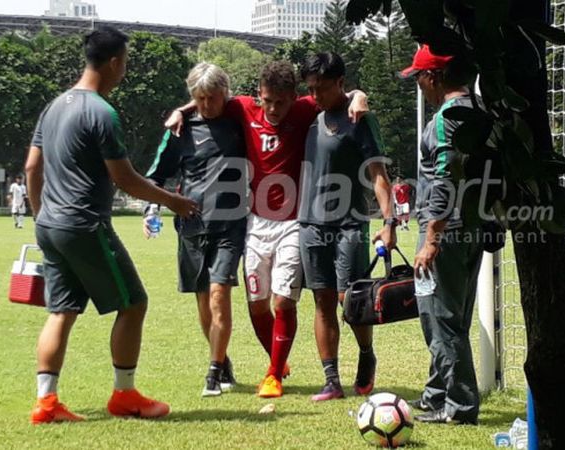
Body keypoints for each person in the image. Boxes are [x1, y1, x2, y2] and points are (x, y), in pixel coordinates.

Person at [166, 61, 369, 399]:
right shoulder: (244, 108)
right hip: (256, 221)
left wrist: (359, 96)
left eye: (280, 102)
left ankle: (273, 373)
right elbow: (208, 96)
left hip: (294, 222)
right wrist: (181, 109)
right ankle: (279, 360)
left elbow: (343, 95)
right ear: (258, 96)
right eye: (266, 101)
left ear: (294, 97)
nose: (272, 109)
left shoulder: (306, 109)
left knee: (282, 301)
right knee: (257, 304)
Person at [25, 26, 197, 425]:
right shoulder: (102, 112)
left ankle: (46, 402)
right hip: (84, 224)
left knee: (61, 310)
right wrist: (174, 201)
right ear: (115, 62)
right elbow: (124, 178)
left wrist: (41, 216)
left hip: (50, 225)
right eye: (126, 63)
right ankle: (124, 394)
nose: (126, 70)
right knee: (133, 303)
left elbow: (33, 166)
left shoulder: (54, 107)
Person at [296, 52, 397, 401]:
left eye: (322, 88)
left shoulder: (360, 119)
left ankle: (366, 355)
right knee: (322, 300)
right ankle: (331, 381)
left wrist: (389, 221)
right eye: (310, 89)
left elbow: (378, 174)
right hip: (310, 223)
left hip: (350, 223)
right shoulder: (308, 114)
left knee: (350, 300)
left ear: (341, 83)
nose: (315, 96)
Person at [146, 63, 246, 397]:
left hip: (230, 225)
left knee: (220, 294)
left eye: (212, 97)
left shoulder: (238, 121)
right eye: (199, 98)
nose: (206, 105)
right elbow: (155, 176)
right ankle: (223, 359)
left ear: (225, 94)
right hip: (191, 227)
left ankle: (213, 374)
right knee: (203, 301)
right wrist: (152, 208)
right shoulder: (180, 130)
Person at [402, 44, 483, 425]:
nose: (417, 85)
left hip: (444, 231)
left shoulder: (443, 119)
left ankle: (460, 406)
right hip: (474, 228)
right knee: (455, 317)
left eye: (418, 76)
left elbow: (446, 173)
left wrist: (432, 237)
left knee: (439, 319)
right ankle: (436, 394)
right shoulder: (481, 112)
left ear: (432, 77)